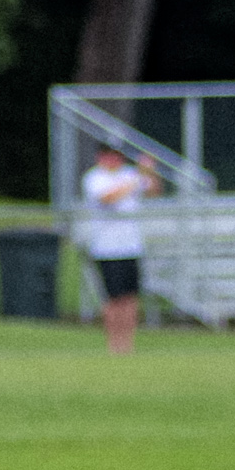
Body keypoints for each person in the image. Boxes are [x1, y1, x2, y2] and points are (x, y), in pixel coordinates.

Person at [81, 144, 161, 355]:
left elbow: (153, 191)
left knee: (130, 297)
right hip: (106, 248)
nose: (115, 161)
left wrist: (150, 170)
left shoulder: (128, 174)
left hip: (131, 246)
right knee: (113, 298)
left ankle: (128, 345)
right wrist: (137, 176)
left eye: (118, 157)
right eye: (110, 156)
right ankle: (114, 345)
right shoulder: (94, 178)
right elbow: (107, 198)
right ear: (102, 157)